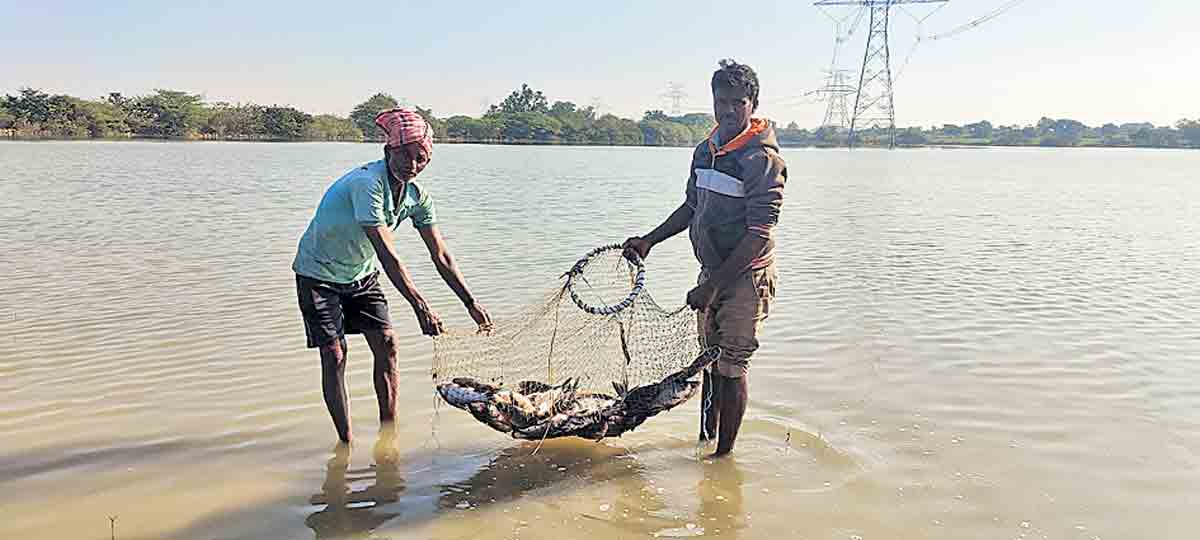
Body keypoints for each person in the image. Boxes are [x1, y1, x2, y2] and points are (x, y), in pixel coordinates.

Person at [293, 108, 491, 443]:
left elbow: (440, 254)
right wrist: (420, 306)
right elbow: (387, 253)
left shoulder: (417, 197)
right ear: (388, 151)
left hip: (361, 274)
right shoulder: (367, 184)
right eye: (406, 156)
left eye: (422, 159)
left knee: (387, 344)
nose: (413, 166)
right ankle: (347, 442)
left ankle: (388, 433)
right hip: (319, 274)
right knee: (335, 355)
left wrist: (470, 303)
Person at [624, 59, 786, 457]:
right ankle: (704, 440)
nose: (728, 110)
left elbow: (758, 234)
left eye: (738, 102)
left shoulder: (761, 160)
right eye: (721, 101)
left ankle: (722, 457)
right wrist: (650, 240)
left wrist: (713, 287)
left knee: (732, 366)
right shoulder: (706, 150)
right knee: (709, 362)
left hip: (747, 277)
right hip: (711, 271)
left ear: (754, 104)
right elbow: (691, 207)